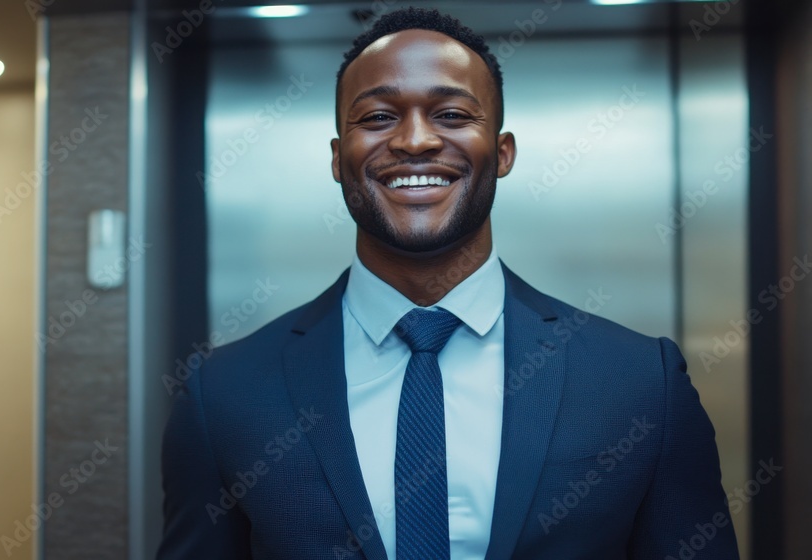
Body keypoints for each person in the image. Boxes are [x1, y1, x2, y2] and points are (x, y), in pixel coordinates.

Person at [157, 7, 739, 560]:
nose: (415, 141)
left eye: (453, 115)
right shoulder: (225, 396)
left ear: (503, 152)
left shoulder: (640, 384)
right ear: (338, 158)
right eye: (378, 117)